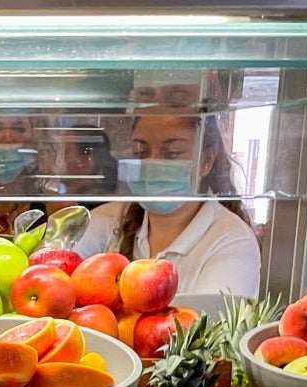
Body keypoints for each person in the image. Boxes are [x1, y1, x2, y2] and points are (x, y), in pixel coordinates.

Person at [73, 112, 261, 298]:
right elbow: (60, 274)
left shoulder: (233, 241)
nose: (152, 163)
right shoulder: (110, 217)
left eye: (172, 153)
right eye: (141, 152)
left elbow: (208, 317)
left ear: (206, 161)